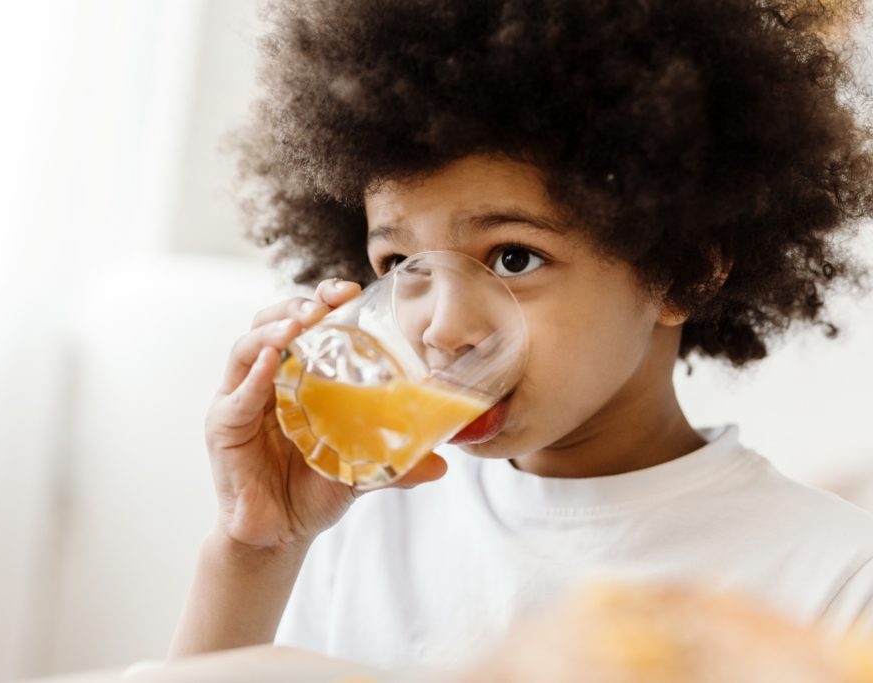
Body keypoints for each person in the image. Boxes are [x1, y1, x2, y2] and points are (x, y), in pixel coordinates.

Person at [168, 0, 873, 671]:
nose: (441, 327)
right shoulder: (359, 523)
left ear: (680, 270)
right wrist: (255, 547)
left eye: (513, 258)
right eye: (401, 264)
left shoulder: (833, 580)